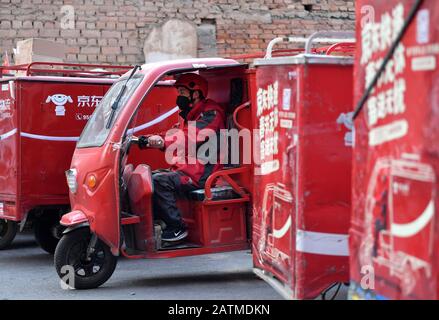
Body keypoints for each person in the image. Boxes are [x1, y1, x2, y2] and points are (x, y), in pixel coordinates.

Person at [138, 73, 226, 242]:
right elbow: (175, 133)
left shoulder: (210, 114)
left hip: (202, 174)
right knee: (148, 179)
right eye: (178, 92)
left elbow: (189, 137)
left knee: (160, 181)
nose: (179, 97)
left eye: (183, 93)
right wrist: (147, 139)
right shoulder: (188, 114)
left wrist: (162, 141)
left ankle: (177, 228)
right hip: (187, 169)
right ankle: (158, 224)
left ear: (196, 93)